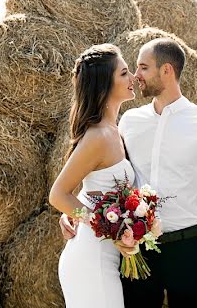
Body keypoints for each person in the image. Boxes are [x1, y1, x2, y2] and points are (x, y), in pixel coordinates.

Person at [60, 37, 197, 307]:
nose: (136, 76)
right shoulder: (129, 122)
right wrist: (73, 211)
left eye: (143, 67)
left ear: (166, 71)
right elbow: (102, 170)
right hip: (137, 249)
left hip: (188, 246)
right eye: (130, 69)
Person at [49, 43, 137, 308]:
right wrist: (108, 227)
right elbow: (59, 194)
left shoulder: (114, 130)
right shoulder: (98, 135)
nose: (132, 78)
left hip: (104, 254)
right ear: (104, 84)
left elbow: (93, 188)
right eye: (124, 73)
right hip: (92, 257)